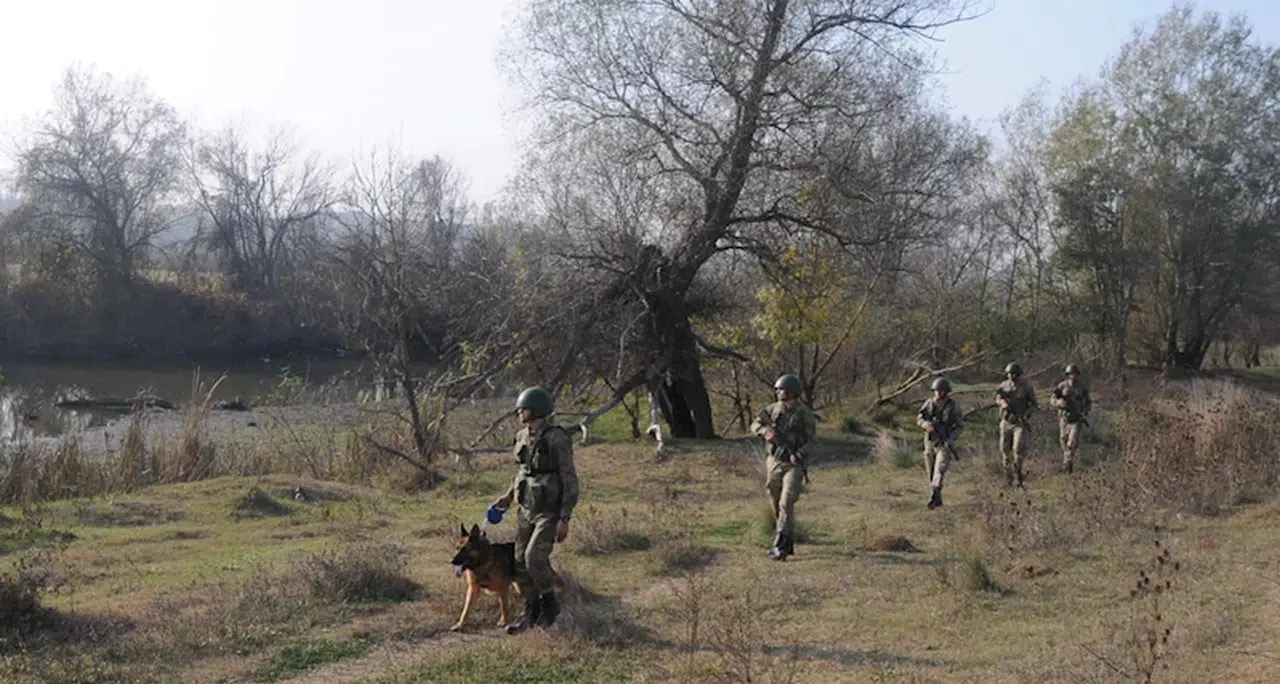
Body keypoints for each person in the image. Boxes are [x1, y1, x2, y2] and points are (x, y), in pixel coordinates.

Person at [491, 386, 579, 634]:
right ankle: (531, 611)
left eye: (524, 408)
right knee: (519, 561)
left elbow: (569, 478)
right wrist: (508, 497)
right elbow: (523, 471)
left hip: (549, 511)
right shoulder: (522, 437)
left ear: (537, 410)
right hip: (526, 508)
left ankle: (550, 606)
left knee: (534, 557)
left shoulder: (556, 438)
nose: (519, 412)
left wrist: (565, 518)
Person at [750, 374, 816, 561]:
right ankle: (787, 537)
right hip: (774, 461)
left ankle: (779, 545)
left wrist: (800, 455)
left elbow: (812, 441)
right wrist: (765, 432)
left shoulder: (805, 414)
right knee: (773, 495)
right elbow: (755, 423)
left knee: (786, 502)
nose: (778, 392)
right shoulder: (772, 410)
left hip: (794, 464)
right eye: (777, 389)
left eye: (781, 389)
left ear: (792, 392)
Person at [917, 376, 962, 509]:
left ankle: (934, 495)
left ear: (946, 391)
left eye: (941, 390)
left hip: (944, 442)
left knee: (939, 470)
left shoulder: (953, 406)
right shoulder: (929, 403)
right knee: (930, 470)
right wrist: (925, 425)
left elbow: (959, 426)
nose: (938, 393)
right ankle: (937, 496)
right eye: (936, 390)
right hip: (930, 441)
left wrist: (951, 439)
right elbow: (919, 418)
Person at [994, 362, 1038, 487]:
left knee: (1017, 450)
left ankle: (1018, 474)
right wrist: (1001, 402)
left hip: (1019, 423)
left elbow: (1034, 405)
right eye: (1008, 374)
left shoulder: (1026, 387)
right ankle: (1008, 479)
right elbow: (997, 398)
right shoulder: (1003, 386)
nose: (1011, 376)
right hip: (1006, 421)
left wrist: (1026, 415)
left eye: (1013, 374)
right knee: (1004, 450)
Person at [1050, 363, 1092, 474]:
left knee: (1072, 443)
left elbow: (1088, 402)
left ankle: (1067, 466)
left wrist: (1084, 412)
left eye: (1075, 374)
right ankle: (1067, 461)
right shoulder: (1062, 386)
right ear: (1068, 375)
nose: (1073, 376)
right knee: (1063, 441)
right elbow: (1053, 399)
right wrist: (1059, 402)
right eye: (1071, 374)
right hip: (1064, 418)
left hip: (1076, 419)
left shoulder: (1082, 387)